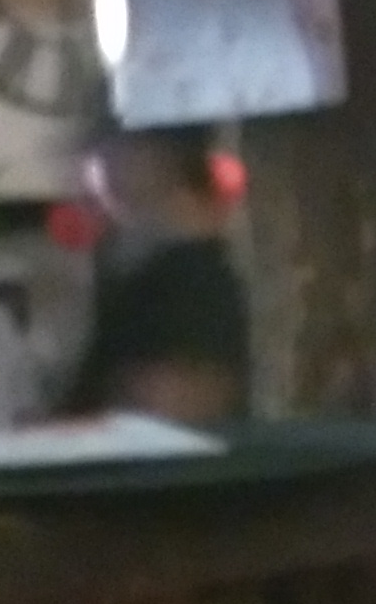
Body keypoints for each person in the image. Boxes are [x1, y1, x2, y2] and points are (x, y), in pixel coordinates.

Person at [71, 119, 250, 427]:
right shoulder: (157, 276)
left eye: (115, 150)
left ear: (156, 156)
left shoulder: (190, 282)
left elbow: (173, 415)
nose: (98, 171)